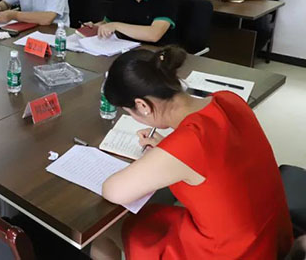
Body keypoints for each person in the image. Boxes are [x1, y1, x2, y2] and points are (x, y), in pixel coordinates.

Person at [89, 46, 293, 260]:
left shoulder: (188, 143)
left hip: (230, 253)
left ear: (143, 105)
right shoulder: (229, 99)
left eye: (130, 112)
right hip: (269, 236)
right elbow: (220, 153)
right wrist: (167, 150)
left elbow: (113, 191)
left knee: (103, 228)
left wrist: (166, 154)